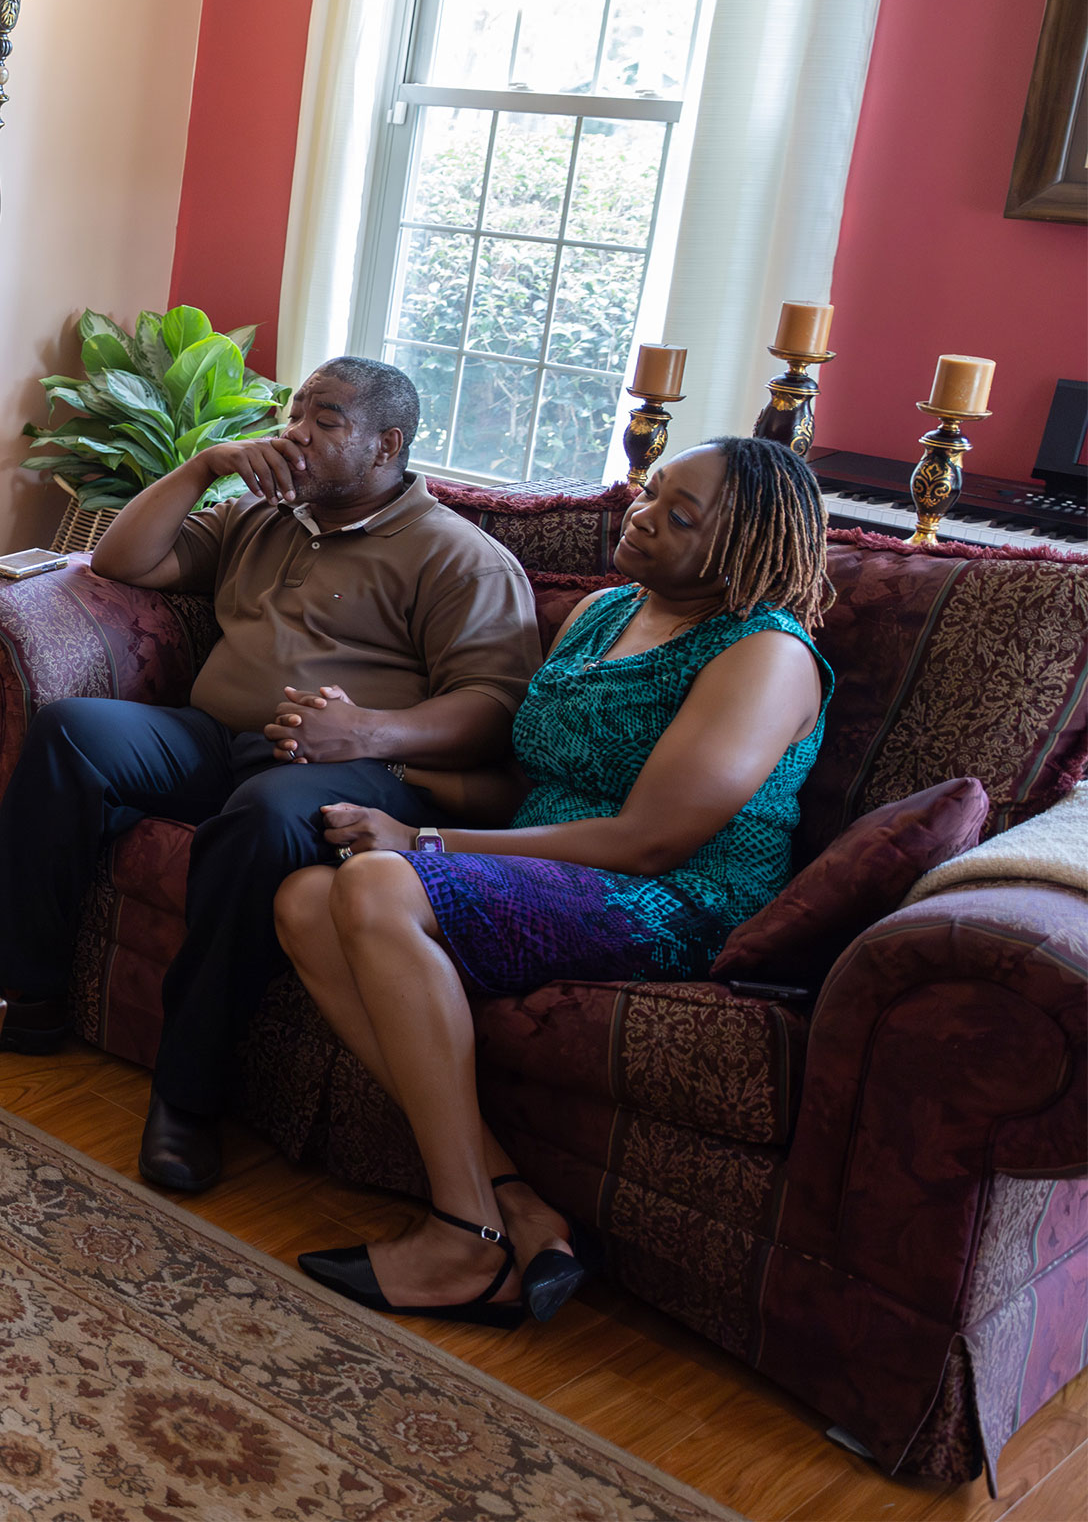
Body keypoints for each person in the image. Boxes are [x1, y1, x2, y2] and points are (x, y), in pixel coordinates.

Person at [0, 356, 540, 1194]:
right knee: (73, 731)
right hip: (214, 737)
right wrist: (203, 465)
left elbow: (494, 706)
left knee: (263, 819)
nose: (296, 433)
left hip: (348, 768)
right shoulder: (264, 516)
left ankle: (189, 1098)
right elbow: (120, 562)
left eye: (324, 421)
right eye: (295, 412)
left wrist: (365, 730)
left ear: (385, 445)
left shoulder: (458, 559)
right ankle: (20, 991)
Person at [276, 437, 834, 1328]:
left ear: (741, 547)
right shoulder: (605, 612)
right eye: (651, 493)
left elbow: (648, 841)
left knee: (380, 884)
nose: (641, 515)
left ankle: (463, 1232)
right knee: (304, 900)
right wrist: (377, 760)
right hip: (553, 868)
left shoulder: (764, 655)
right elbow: (535, 784)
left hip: (677, 901)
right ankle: (517, 1207)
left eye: (678, 516)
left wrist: (417, 839)